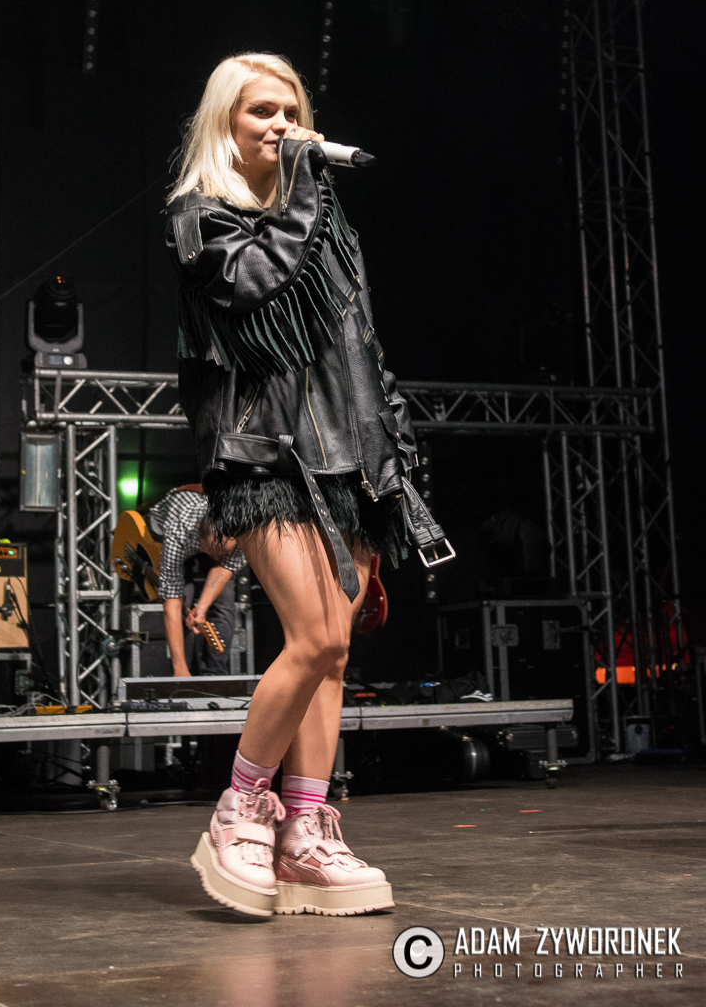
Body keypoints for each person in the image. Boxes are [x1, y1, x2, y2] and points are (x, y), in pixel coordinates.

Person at [165, 52, 450, 918]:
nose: (283, 126)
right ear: (226, 120)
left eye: (291, 111)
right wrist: (302, 191)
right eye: (263, 112)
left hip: (349, 460)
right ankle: (239, 809)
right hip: (267, 458)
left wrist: (394, 459)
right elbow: (256, 290)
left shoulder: (325, 225)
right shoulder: (199, 216)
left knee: (336, 655)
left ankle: (306, 833)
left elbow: (362, 347)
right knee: (315, 636)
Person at [149, 487, 246, 677]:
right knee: (184, 598)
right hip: (163, 533)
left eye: (222, 553)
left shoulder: (242, 534)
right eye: (212, 552)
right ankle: (183, 668)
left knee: (225, 600)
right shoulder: (179, 532)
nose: (215, 557)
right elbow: (171, 601)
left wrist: (202, 607)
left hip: (204, 539)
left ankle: (216, 673)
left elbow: (224, 567)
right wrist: (179, 668)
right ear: (198, 530)